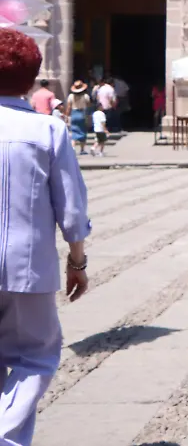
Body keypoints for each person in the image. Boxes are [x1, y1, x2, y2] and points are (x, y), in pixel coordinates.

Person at [0, 29, 90, 446]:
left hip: (26, 266)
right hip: (29, 266)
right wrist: (77, 261)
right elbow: (70, 207)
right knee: (34, 356)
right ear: (33, 78)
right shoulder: (49, 131)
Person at [65, 81, 90, 155]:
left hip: (74, 114)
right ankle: (82, 149)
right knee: (83, 132)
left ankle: (73, 147)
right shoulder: (86, 96)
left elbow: (69, 107)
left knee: (74, 131)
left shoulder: (71, 96)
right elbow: (88, 106)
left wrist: (67, 116)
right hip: (82, 114)